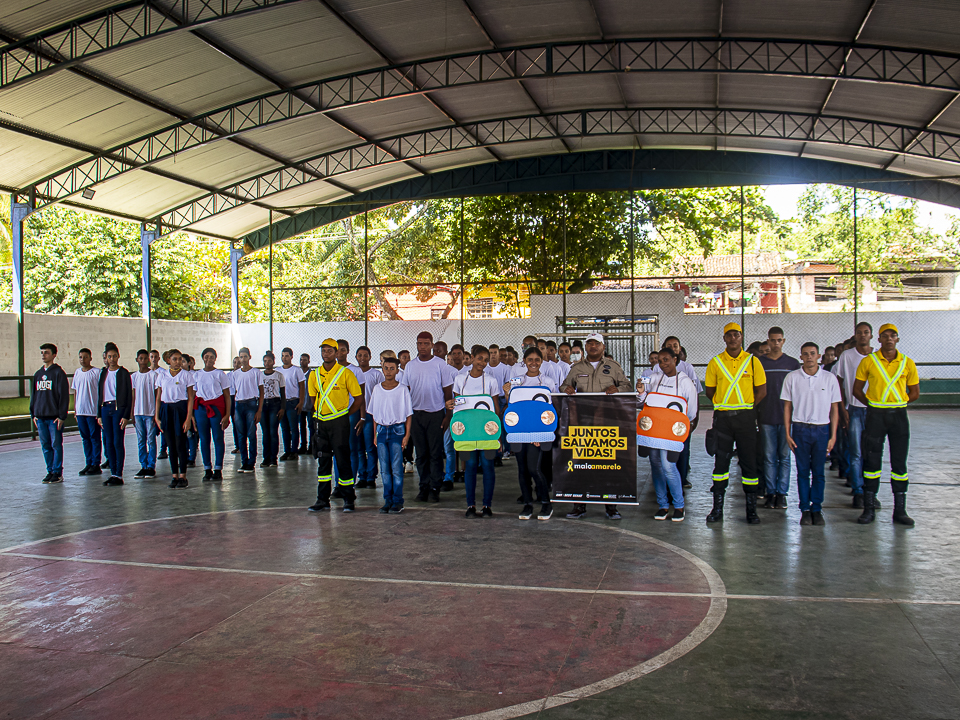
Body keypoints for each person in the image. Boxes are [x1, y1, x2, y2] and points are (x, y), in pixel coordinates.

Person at [852, 323, 920, 526]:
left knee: (899, 463)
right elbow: (857, 389)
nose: (889, 339)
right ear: (878, 340)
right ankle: (869, 508)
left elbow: (915, 392)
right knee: (871, 462)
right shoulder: (868, 362)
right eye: (885, 336)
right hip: (875, 416)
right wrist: (872, 405)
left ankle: (900, 510)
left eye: (893, 335)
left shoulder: (907, 363)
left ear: (897, 339)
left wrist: (898, 402)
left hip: (899, 416)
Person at [560, 333, 632, 520]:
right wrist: (566, 389)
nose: (593, 346)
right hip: (581, 425)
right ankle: (579, 506)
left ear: (603, 346)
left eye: (596, 343)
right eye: (589, 343)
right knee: (581, 464)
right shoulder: (576, 368)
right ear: (585, 347)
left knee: (607, 465)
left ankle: (611, 507)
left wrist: (618, 389)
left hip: (607, 424)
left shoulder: (613, 367)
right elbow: (564, 386)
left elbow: (627, 386)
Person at [703, 322, 767, 525]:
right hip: (723, 419)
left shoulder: (753, 361)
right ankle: (717, 508)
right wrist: (726, 405)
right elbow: (710, 392)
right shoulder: (715, 362)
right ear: (724, 338)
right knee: (721, 463)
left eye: (736, 335)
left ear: (741, 337)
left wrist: (746, 407)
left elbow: (762, 391)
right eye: (729, 335)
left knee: (749, 463)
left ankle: (751, 510)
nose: (733, 338)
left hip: (746, 419)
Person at [782, 342, 841, 526]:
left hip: (822, 429)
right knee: (802, 472)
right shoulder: (792, 378)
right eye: (805, 354)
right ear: (801, 357)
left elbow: (834, 408)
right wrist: (787, 433)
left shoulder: (829, 378)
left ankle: (817, 508)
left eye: (812, 353)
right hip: (800, 429)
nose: (809, 357)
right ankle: (805, 509)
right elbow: (787, 407)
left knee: (819, 472)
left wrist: (833, 436)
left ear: (818, 356)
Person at [636, 346, 698, 522]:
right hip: (653, 432)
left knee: (669, 466)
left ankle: (678, 506)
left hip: (671, 434)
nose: (662, 364)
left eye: (666, 360)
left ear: (675, 360)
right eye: (659, 360)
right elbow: (640, 400)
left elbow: (691, 411)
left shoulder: (685, 381)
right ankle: (662, 505)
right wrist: (640, 389)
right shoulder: (653, 378)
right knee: (655, 465)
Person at [307, 338, 365, 513]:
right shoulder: (314, 374)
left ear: (337, 353)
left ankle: (348, 499)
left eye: (330, 351)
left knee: (342, 460)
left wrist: (345, 414)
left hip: (339, 422)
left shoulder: (346, 373)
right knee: (323, 462)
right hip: (321, 422)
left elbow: (358, 398)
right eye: (324, 351)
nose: (326, 354)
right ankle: (322, 499)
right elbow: (312, 398)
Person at [504, 346, 557, 520]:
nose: (533, 363)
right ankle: (527, 504)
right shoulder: (517, 381)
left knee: (534, 468)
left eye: (537, 360)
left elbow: (550, 410)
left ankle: (546, 504)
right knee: (522, 469)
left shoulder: (547, 382)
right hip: (519, 431)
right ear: (524, 361)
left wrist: (541, 433)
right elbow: (512, 407)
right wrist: (506, 392)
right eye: (530, 360)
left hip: (538, 433)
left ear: (542, 362)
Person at [450, 345, 501, 518]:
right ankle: (470, 505)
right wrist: (450, 405)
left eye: (486, 360)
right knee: (470, 466)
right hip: (467, 433)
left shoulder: (491, 381)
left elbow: (496, 408)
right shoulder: (460, 379)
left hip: (486, 433)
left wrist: (496, 434)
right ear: (471, 358)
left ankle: (487, 505)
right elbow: (456, 404)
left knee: (487, 466)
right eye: (480, 358)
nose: (483, 363)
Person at [403, 331, 454, 503]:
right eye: (420, 343)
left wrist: (448, 415)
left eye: (426, 343)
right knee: (421, 454)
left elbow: (448, 391)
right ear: (416, 345)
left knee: (435, 453)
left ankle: (435, 488)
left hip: (436, 414)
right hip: (416, 415)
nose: (423, 346)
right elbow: (405, 391)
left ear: (432, 345)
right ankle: (423, 487)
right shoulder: (410, 366)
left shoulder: (440, 364)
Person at [757, 326, 801, 509]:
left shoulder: (792, 364)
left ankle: (781, 494)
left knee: (784, 457)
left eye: (779, 340)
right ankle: (770, 492)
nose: (775, 343)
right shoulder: (759, 363)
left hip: (786, 419)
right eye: (772, 340)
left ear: (783, 341)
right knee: (768, 457)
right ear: (767, 341)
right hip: (766, 416)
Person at [834, 322, 875, 508]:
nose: (863, 335)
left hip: (876, 410)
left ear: (872, 336)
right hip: (855, 409)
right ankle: (859, 491)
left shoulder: (878, 357)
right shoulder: (847, 356)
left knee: (872, 453)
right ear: (855, 336)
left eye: (866, 332)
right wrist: (843, 409)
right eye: (859, 333)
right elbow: (839, 383)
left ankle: (871, 492)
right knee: (856, 451)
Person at [658, 336, 702, 488]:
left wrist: (692, 420)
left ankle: (681, 481)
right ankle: (667, 484)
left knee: (682, 452)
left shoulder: (687, 368)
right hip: (663, 420)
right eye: (669, 345)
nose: (664, 364)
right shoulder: (658, 369)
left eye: (675, 345)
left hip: (681, 420)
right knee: (664, 455)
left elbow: (694, 396)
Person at [369, 356, 412, 514]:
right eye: (386, 368)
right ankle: (387, 499)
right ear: (382, 369)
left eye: (392, 368)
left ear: (397, 370)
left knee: (396, 467)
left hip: (397, 430)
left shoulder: (402, 389)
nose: (388, 371)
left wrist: (407, 435)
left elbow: (408, 414)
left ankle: (398, 500)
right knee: (384, 468)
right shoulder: (377, 389)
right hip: (381, 430)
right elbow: (374, 414)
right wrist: (375, 434)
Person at [189, 347, 231, 481]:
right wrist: (192, 415)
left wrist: (227, 414)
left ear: (215, 359)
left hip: (216, 408)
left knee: (218, 438)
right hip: (201, 409)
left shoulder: (220, 374)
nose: (209, 359)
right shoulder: (196, 375)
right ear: (203, 358)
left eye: (211, 357)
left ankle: (218, 468)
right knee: (204, 439)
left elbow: (227, 396)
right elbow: (193, 395)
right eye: (206, 357)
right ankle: (207, 468)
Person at [154, 349, 193, 488]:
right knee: (171, 445)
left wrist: (188, 418)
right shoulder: (162, 375)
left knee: (180, 443)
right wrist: (157, 416)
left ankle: (183, 475)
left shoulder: (186, 375)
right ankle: (174, 475)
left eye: (180, 359)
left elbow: (190, 398)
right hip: (167, 409)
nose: (178, 362)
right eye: (174, 359)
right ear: (168, 360)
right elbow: (158, 397)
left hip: (180, 409)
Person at [31, 343, 70, 484]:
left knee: (56, 445)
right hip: (40, 417)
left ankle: (57, 472)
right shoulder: (38, 374)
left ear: (54, 355)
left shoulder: (58, 373)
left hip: (54, 418)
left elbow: (63, 396)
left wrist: (61, 416)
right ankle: (50, 471)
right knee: (45, 445)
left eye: (46, 352)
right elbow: (34, 395)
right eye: (42, 352)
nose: (43, 355)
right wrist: (33, 414)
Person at [97, 342, 132, 486]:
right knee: (109, 441)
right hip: (105, 408)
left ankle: (119, 473)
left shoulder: (123, 373)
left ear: (118, 356)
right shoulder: (103, 372)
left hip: (118, 409)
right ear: (105, 357)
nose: (112, 359)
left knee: (118, 441)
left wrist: (126, 415)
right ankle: (112, 472)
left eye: (114, 356)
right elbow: (100, 393)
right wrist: (99, 414)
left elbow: (129, 395)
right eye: (109, 356)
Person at [336, 340, 367, 493]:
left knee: (351, 449)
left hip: (350, 414)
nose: (340, 353)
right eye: (337, 350)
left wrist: (362, 417)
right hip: (332, 417)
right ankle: (338, 484)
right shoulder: (328, 370)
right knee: (337, 450)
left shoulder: (355, 371)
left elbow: (360, 396)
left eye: (343, 350)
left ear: (348, 351)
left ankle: (349, 484)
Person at [355, 346, 383, 489]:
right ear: (356, 357)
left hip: (371, 414)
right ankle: (362, 476)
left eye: (365, 355)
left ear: (370, 357)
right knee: (359, 447)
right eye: (360, 355)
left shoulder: (376, 374)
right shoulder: (352, 373)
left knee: (370, 447)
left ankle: (371, 477)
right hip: (356, 414)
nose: (362, 358)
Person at [233, 347, 264, 473]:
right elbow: (233, 392)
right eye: (241, 357)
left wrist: (259, 410)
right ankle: (244, 461)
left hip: (251, 403)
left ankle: (251, 462)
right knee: (241, 435)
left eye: (245, 356)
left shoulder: (256, 372)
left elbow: (261, 392)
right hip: (239, 404)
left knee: (251, 434)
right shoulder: (235, 374)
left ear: (249, 357)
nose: (243, 359)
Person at [72, 347, 102, 476]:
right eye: (80, 357)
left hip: (92, 411)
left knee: (94, 437)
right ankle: (88, 462)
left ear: (90, 358)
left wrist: (99, 410)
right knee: (85, 438)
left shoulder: (97, 372)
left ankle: (96, 464)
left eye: (85, 357)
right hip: (81, 411)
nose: (82, 360)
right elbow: (75, 392)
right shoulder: (77, 373)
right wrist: (75, 409)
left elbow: (101, 392)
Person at [131, 349, 158, 478]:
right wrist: (132, 413)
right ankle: (143, 465)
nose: (142, 361)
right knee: (141, 440)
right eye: (140, 358)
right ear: (137, 360)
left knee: (151, 440)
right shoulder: (134, 376)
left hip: (150, 413)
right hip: (138, 413)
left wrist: (156, 414)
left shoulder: (153, 375)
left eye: (145, 358)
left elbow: (158, 395)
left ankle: (151, 466)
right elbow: (133, 396)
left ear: (148, 360)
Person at [278, 348, 305, 461]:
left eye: (287, 356)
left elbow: (302, 386)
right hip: (281, 403)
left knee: (294, 427)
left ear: (291, 357)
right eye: (283, 356)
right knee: (284, 428)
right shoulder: (278, 371)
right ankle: (287, 450)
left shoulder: (296, 370)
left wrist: (301, 402)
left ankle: (294, 451)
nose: (285, 358)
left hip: (293, 401)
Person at [259, 351, 285, 468]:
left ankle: (273, 458)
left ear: (273, 362)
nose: (267, 363)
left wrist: (282, 408)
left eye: (269, 361)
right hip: (263, 404)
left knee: (273, 431)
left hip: (275, 403)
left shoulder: (278, 375)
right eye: (265, 361)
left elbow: (283, 393)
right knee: (265, 433)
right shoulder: (260, 375)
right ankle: (266, 458)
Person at [183, 354, 199, 467]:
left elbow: (194, 394)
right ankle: (184, 455)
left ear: (189, 363)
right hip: (181, 407)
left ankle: (191, 457)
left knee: (191, 433)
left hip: (192, 406)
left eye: (183, 361)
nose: (181, 363)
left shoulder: (194, 375)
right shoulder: (178, 375)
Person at [298, 353, 313, 454]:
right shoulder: (298, 373)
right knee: (301, 426)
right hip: (300, 406)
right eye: (301, 360)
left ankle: (311, 446)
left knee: (311, 426)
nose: (302, 362)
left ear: (308, 361)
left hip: (310, 405)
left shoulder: (312, 374)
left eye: (304, 360)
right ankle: (303, 445)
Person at [230, 355, 241, 454]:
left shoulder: (242, 374)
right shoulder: (229, 375)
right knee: (234, 423)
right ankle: (237, 445)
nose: (236, 365)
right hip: (231, 399)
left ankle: (242, 445)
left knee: (241, 423)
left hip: (239, 398)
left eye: (238, 362)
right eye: (234, 362)